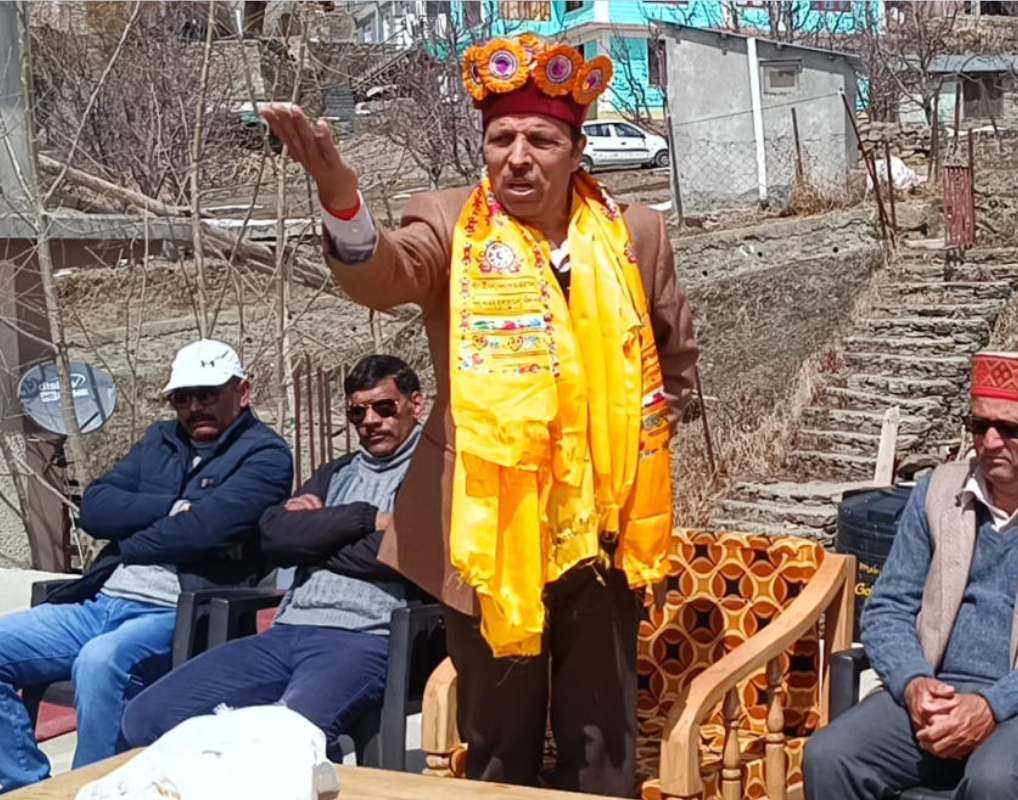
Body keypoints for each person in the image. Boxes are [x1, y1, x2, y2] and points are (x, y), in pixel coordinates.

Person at [259, 34, 699, 795]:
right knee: (500, 743)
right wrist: (339, 192)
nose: (518, 156)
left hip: (602, 530)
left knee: (603, 740)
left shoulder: (634, 232)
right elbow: (386, 275)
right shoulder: (452, 223)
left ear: (576, 149)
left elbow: (674, 349)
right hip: (486, 528)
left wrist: (634, 446)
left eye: (541, 138)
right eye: (502, 138)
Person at [804, 350, 1018, 800]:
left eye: (1010, 428)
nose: (991, 442)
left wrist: (992, 705)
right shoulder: (937, 492)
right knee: (830, 754)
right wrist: (913, 683)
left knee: (997, 778)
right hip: (936, 694)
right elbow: (887, 608)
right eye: (979, 426)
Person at [0, 339, 291, 791]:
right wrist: (172, 506)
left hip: (177, 615)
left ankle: (94, 789)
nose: (195, 407)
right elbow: (94, 508)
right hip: (101, 603)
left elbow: (206, 531)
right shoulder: (161, 439)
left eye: (208, 394)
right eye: (183, 398)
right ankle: (27, 787)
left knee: (100, 662)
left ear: (243, 391)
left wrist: (132, 537)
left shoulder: (266, 456)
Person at [121, 354, 426, 757]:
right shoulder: (339, 473)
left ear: (416, 404)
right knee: (147, 716)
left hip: (364, 638)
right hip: (287, 631)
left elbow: (403, 553)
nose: (370, 421)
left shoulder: (433, 471)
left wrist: (316, 539)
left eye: (384, 407)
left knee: (282, 742)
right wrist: (363, 519)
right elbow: (274, 537)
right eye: (357, 411)